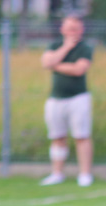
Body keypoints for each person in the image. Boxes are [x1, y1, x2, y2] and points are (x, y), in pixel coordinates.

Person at [39, 15, 94, 187]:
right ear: (62, 29)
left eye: (76, 29)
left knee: (82, 136)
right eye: (70, 28)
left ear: (82, 30)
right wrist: (65, 48)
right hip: (56, 99)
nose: (73, 32)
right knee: (57, 136)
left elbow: (79, 69)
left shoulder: (85, 48)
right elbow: (46, 61)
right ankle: (57, 173)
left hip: (78, 98)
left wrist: (56, 65)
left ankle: (85, 174)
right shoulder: (55, 45)